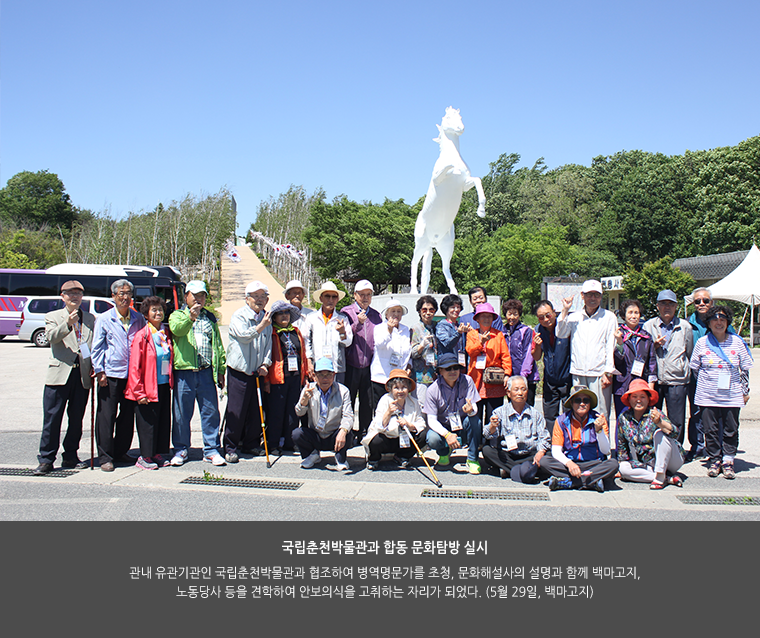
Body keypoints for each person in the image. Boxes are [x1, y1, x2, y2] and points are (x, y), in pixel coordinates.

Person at [33, 280, 95, 475]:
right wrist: (67, 323)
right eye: (70, 293)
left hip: (81, 374)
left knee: (76, 419)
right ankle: (46, 458)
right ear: (62, 296)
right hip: (59, 374)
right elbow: (51, 337)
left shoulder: (90, 318)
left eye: (78, 293)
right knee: (52, 419)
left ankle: (70, 455)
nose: (74, 296)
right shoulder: (53, 316)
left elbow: (91, 345)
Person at [690, 305, 753, 479]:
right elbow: (695, 368)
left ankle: (728, 459)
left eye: (723, 320)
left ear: (728, 322)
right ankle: (714, 458)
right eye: (715, 320)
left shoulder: (738, 342)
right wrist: (706, 382)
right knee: (710, 429)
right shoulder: (702, 342)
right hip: (707, 395)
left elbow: (744, 369)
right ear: (709, 323)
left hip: (732, 394)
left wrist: (745, 391)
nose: (719, 323)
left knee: (731, 428)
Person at [169, 280, 226, 467]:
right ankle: (181, 449)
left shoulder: (209, 318)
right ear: (186, 297)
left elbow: (217, 345)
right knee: (181, 414)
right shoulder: (177, 315)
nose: (198, 299)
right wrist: (190, 317)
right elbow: (177, 330)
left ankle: (211, 449)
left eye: (202, 296)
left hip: (206, 372)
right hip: (184, 372)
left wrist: (221, 370)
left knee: (210, 412)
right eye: (195, 295)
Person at [91, 279, 146, 472]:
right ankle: (105, 456)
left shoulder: (138, 318)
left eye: (128, 293)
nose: (125, 297)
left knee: (127, 416)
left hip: (131, 376)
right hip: (111, 374)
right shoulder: (104, 319)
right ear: (113, 296)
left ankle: (120, 450)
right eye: (121, 293)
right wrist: (100, 371)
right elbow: (97, 347)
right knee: (106, 416)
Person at [223, 281, 272, 463]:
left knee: (255, 410)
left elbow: (268, 345)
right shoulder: (239, 316)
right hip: (240, 370)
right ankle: (230, 446)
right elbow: (243, 337)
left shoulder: (266, 318)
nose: (259, 300)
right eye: (255, 296)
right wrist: (261, 326)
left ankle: (251, 443)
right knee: (236, 410)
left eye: (262, 296)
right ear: (247, 298)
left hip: (257, 372)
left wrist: (266, 364)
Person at [556, 279, 617, 422]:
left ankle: (602, 444)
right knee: (579, 412)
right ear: (582, 296)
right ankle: (582, 442)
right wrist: (564, 310)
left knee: (600, 413)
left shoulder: (609, 317)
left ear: (601, 297)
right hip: (578, 372)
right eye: (589, 295)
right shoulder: (574, 316)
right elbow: (561, 333)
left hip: (599, 373)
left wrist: (608, 372)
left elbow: (610, 345)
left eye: (596, 295)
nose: (593, 298)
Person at [125, 296, 174, 469]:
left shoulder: (165, 334)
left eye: (160, 309)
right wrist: (139, 392)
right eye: (154, 310)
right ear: (146, 314)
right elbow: (134, 366)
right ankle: (145, 456)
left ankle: (158, 452)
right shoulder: (142, 335)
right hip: (146, 387)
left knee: (162, 420)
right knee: (147, 423)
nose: (158, 312)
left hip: (162, 385)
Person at [539, 385, 619, 492]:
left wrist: (599, 431)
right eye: (577, 400)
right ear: (571, 403)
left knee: (613, 464)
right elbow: (556, 451)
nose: (582, 404)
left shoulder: (599, 419)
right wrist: (569, 464)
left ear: (590, 404)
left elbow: (606, 450)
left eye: (586, 400)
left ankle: (568, 482)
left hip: (593, 463)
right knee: (544, 461)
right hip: (569, 463)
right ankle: (591, 482)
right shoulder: (561, 420)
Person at [643, 290, 694, 446]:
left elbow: (690, 352)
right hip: (654, 379)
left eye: (670, 304)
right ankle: (652, 450)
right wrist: (654, 345)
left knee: (676, 419)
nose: (667, 307)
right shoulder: (649, 325)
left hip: (677, 379)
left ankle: (676, 450)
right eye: (663, 304)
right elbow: (642, 352)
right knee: (652, 417)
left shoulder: (685, 327)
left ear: (676, 306)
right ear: (657, 306)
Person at [616, 379, 684, 488]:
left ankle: (661, 475)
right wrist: (621, 466)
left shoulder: (655, 413)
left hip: (671, 459)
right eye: (634, 397)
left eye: (642, 397)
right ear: (629, 399)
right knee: (623, 468)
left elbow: (675, 434)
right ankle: (666, 478)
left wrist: (660, 422)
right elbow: (621, 445)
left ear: (648, 399)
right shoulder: (624, 418)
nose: (638, 400)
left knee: (659, 434)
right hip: (646, 464)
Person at [482, 376, 550, 483]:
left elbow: (544, 438)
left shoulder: (535, 414)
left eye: (523, 389)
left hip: (529, 455)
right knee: (487, 451)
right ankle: (527, 471)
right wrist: (492, 426)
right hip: (508, 455)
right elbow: (486, 434)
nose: (520, 393)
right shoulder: (499, 412)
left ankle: (509, 470)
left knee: (547, 456)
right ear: (508, 393)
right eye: (516, 389)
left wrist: (540, 453)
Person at [423, 352, 481, 473]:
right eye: (448, 368)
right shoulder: (432, 390)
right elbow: (431, 420)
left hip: (463, 423)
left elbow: (474, 407)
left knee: (475, 421)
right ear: (440, 371)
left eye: (456, 368)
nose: (452, 371)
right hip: (443, 426)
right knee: (432, 438)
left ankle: (472, 458)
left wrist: (471, 410)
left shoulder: (468, 380)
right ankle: (444, 453)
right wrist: (447, 435)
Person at [293, 357, 355, 471]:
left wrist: (343, 431)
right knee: (297, 433)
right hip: (316, 433)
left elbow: (349, 415)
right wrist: (303, 402)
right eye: (321, 375)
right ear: (315, 376)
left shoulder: (343, 391)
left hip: (334, 434)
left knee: (348, 433)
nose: (324, 378)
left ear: (334, 375)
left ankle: (340, 457)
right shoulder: (308, 389)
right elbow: (299, 413)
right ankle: (312, 454)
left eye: (328, 374)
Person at [362, 369, 427, 471]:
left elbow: (421, 423)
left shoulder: (414, 402)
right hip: (387, 438)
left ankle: (402, 456)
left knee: (423, 435)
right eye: (396, 388)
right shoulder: (384, 400)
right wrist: (388, 413)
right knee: (375, 441)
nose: (400, 391)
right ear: (391, 389)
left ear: (408, 389)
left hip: (404, 439)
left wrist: (410, 425)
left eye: (404, 387)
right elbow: (377, 426)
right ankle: (374, 459)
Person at [265, 300, 308, 454]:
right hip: (278, 378)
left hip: (295, 376)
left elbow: (302, 354)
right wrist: (267, 381)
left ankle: (291, 442)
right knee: (277, 412)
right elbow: (267, 357)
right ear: (274, 317)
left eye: (286, 313)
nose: (284, 316)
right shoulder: (271, 332)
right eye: (280, 313)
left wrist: (306, 374)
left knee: (292, 411)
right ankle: (274, 444)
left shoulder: (296, 331)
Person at [342, 280, 383, 438]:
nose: (365, 298)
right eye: (362, 294)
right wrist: (357, 324)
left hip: (370, 365)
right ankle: (348, 432)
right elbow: (345, 337)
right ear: (355, 295)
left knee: (367, 401)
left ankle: (365, 432)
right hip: (351, 363)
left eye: (368, 294)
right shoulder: (346, 312)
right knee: (349, 400)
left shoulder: (376, 315)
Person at [465, 302, 511, 428]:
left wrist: (507, 374)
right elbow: (470, 351)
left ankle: (491, 443)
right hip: (476, 380)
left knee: (494, 413)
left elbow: (505, 356)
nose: (486, 319)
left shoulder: (498, 335)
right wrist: (481, 342)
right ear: (477, 319)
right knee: (476, 413)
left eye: (489, 316)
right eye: (483, 316)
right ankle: (476, 441)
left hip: (494, 380)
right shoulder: (472, 334)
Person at [612, 298, 657, 418]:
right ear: (623, 315)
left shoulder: (646, 336)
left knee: (641, 419)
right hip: (623, 385)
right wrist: (619, 343)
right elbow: (616, 361)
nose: (633, 316)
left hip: (641, 385)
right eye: (630, 312)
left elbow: (652, 362)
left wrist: (650, 385)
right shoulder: (617, 334)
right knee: (622, 420)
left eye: (636, 313)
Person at [302, 281, 353, 385]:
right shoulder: (311, 318)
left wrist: (342, 333)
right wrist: (309, 362)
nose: (330, 300)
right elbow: (307, 341)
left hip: (336, 367)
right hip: (318, 366)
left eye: (334, 297)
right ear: (321, 298)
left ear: (337, 299)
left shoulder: (342, 318)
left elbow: (348, 342)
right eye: (327, 296)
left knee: (336, 397)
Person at [532, 300, 571, 424]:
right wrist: (538, 346)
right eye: (541, 317)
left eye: (548, 315)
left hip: (567, 379)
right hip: (550, 380)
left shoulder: (566, 326)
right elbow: (536, 357)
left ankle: (568, 442)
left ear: (554, 313)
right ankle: (552, 443)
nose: (546, 319)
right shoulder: (538, 330)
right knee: (549, 417)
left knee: (569, 416)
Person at [370, 298, 413, 408]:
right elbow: (380, 344)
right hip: (382, 377)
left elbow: (407, 350)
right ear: (386, 314)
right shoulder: (379, 328)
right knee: (381, 408)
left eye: (399, 311)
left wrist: (409, 365)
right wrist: (389, 329)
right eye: (393, 311)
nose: (396, 314)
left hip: (399, 377)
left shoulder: (405, 329)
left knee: (398, 408)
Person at [502, 299, 539, 405]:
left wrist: (523, 376)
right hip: (510, 376)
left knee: (527, 406)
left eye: (515, 314)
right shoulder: (503, 331)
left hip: (527, 377)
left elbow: (529, 354)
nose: (512, 317)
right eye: (509, 314)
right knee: (512, 406)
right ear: (505, 315)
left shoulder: (526, 331)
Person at [410, 295, 439, 409]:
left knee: (434, 408)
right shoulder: (415, 328)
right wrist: (422, 345)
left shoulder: (437, 327)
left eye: (431, 310)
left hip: (436, 375)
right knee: (421, 408)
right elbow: (412, 353)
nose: (428, 313)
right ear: (419, 311)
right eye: (424, 310)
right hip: (421, 376)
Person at [435, 293, 470, 364]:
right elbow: (447, 343)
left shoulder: (460, 325)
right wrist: (458, 333)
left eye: (458, 307)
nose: (456, 310)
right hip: (447, 363)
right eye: (453, 307)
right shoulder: (442, 325)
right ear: (446, 309)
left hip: (460, 362)